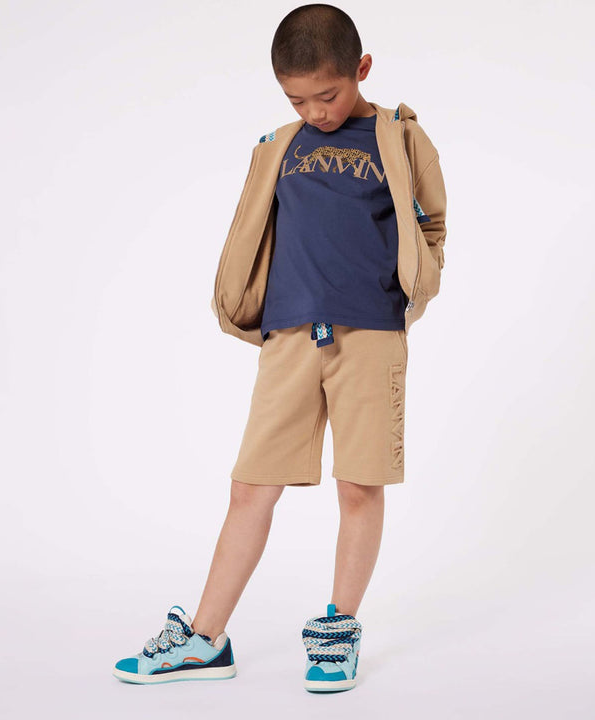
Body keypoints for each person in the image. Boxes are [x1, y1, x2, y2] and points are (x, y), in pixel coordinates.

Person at [113, 3, 447, 693]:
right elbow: (255, 226)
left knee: (359, 486)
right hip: (290, 333)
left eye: (328, 95)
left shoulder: (399, 137)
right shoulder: (278, 146)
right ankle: (205, 639)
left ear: (361, 68)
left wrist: (411, 288)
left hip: (370, 334)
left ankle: (339, 628)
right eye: (298, 100)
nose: (316, 111)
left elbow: (432, 224)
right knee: (249, 487)